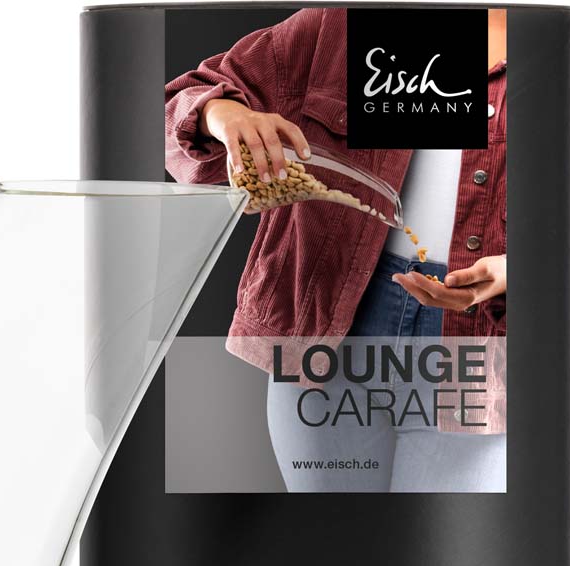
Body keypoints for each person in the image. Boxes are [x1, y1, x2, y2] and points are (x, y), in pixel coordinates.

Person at [165, 8, 507, 492]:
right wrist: (224, 115)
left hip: (479, 343)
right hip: (330, 327)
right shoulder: (343, 25)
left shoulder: (561, 52)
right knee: (332, 536)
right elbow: (181, 101)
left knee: (440, 541)